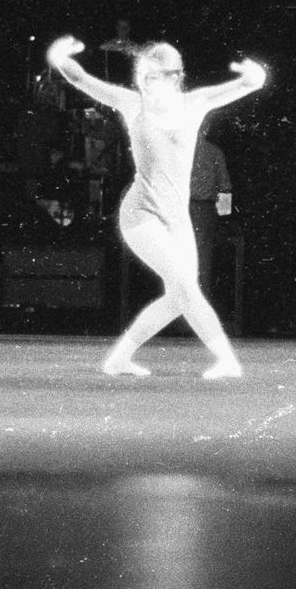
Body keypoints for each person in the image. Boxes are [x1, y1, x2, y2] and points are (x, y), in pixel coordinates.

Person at [46, 34, 265, 379]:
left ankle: (119, 359)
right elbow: (79, 78)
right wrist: (59, 57)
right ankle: (226, 359)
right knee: (185, 287)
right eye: (149, 75)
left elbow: (250, 84)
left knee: (180, 296)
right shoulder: (132, 104)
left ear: (178, 76)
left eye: (164, 75)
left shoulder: (195, 103)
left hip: (176, 219)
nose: (152, 82)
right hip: (141, 215)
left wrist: (254, 75)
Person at [189, 137, 234, 297]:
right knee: (202, 264)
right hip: (203, 212)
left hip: (180, 209)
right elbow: (224, 185)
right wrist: (224, 218)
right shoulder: (214, 151)